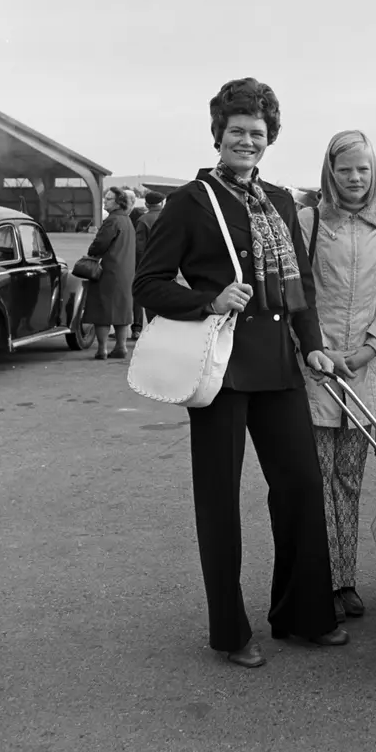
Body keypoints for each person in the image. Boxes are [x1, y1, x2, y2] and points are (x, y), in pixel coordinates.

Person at [132, 77, 347, 668]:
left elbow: (297, 289)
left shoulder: (279, 201)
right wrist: (206, 298)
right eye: (237, 132)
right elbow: (147, 283)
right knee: (220, 502)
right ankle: (230, 630)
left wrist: (313, 349)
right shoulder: (189, 203)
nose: (247, 141)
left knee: (301, 488)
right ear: (218, 135)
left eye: (257, 132)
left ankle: (302, 615)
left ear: (269, 137)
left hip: (279, 366)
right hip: (220, 371)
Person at [298, 130, 376, 624]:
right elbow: (296, 292)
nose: (355, 178)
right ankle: (317, 581)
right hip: (315, 372)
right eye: (345, 169)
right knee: (313, 481)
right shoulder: (307, 222)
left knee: (349, 480)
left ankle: (344, 580)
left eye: (363, 169)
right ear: (330, 170)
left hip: (361, 375)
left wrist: (368, 349)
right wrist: (320, 348)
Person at [81, 187, 137, 360]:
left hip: (109, 271)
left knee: (102, 311)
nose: (105, 201)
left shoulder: (112, 221)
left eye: (109, 199)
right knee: (121, 310)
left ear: (118, 201)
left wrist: (91, 251)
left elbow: (99, 244)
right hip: (125, 271)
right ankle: (121, 347)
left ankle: (102, 349)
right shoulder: (127, 220)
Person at [132, 190, 165, 334]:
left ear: (146, 204)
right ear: (162, 203)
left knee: (146, 297)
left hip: (148, 266)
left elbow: (139, 248)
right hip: (168, 265)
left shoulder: (143, 220)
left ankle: (144, 329)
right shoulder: (170, 218)